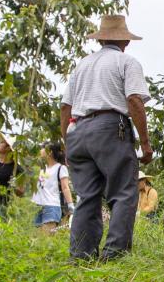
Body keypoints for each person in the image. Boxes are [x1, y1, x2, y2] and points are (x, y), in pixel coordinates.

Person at [60, 14, 153, 263]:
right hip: (110, 128)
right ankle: (114, 254)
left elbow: (65, 108)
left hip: (77, 130)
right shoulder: (127, 62)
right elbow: (134, 100)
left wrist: (67, 144)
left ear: (100, 39)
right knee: (123, 192)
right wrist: (144, 143)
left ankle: (80, 256)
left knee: (87, 196)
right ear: (126, 41)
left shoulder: (81, 65)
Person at [30, 141, 74, 234]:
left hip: (51, 206)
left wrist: (70, 205)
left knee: (46, 238)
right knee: (36, 238)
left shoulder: (61, 168)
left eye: (42, 148)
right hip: (38, 205)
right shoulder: (43, 168)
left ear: (49, 152)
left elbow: (65, 187)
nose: (40, 150)